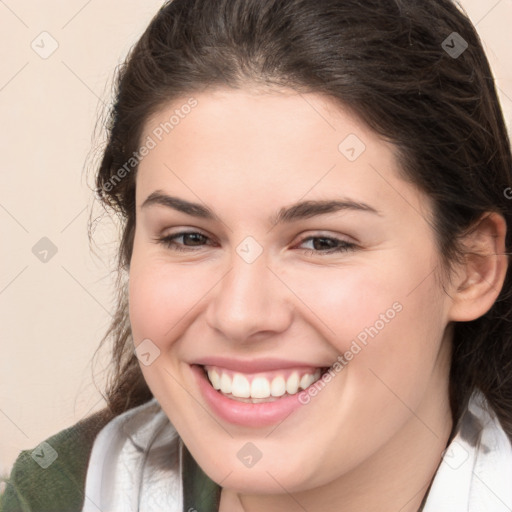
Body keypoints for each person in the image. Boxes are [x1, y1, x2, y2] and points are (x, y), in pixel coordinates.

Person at [2, 0, 512, 510]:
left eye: (323, 242)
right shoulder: (56, 494)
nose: (240, 314)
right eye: (189, 238)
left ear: (473, 268)